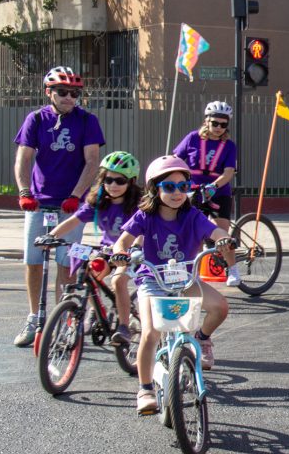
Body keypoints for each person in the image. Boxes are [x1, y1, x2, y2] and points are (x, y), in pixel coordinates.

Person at [109, 156, 236, 414]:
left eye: (183, 186)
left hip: (185, 281)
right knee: (151, 333)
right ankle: (145, 389)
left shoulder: (193, 215)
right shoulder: (145, 216)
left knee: (220, 307)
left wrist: (223, 240)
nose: (177, 193)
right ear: (155, 188)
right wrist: (120, 253)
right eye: (169, 187)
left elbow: (216, 232)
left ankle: (201, 339)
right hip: (153, 280)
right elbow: (122, 242)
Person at [13, 66, 105, 347]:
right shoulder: (36, 119)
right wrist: (24, 192)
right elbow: (24, 158)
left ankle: (63, 321)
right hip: (40, 202)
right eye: (62, 92)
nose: (69, 97)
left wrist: (76, 195)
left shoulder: (87, 120)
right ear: (49, 92)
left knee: (66, 265)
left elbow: (92, 161)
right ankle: (35, 317)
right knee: (34, 260)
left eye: (74, 93)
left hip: (70, 206)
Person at [41, 151, 141, 345]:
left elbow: (143, 233)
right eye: (108, 179)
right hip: (107, 250)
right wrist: (51, 236)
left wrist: (135, 247)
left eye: (120, 181)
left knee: (119, 281)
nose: (113, 185)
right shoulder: (98, 202)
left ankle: (123, 326)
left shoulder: (138, 205)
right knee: (88, 273)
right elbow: (73, 221)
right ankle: (95, 311)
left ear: (131, 182)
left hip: (131, 252)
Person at [172, 101, 240, 287]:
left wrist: (213, 186)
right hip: (194, 192)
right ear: (206, 121)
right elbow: (176, 161)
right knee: (193, 233)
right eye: (215, 123)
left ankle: (233, 269)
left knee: (222, 234)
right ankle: (195, 273)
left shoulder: (229, 146)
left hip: (218, 192)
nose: (218, 128)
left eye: (223, 124)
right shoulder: (192, 138)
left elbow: (228, 173)